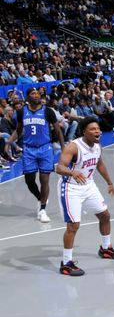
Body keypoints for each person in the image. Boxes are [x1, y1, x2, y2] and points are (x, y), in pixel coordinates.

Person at [54, 117, 114, 277]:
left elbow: (99, 164)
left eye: (98, 129)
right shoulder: (74, 147)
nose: (97, 131)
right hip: (71, 187)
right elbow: (59, 167)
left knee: (105, 216)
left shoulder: (98, 146)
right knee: (73, 226)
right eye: (92, 129)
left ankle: (105, 248)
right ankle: (66, 263)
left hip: (89, 185)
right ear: (84, 131)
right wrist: (72, 171)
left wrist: (109, 182)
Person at [9, 87, 64, 222]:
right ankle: (40, 198)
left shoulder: (47, 111)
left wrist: (64, 148)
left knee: (44, 179)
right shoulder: (22, 112)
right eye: (33, 93)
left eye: (38, 93)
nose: (36, 95)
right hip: (28, 149)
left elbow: (58, 130)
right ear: (28, 97)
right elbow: (19, 130)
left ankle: (43, 209)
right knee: (29, 180)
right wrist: (9, 141)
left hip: (45, 148)